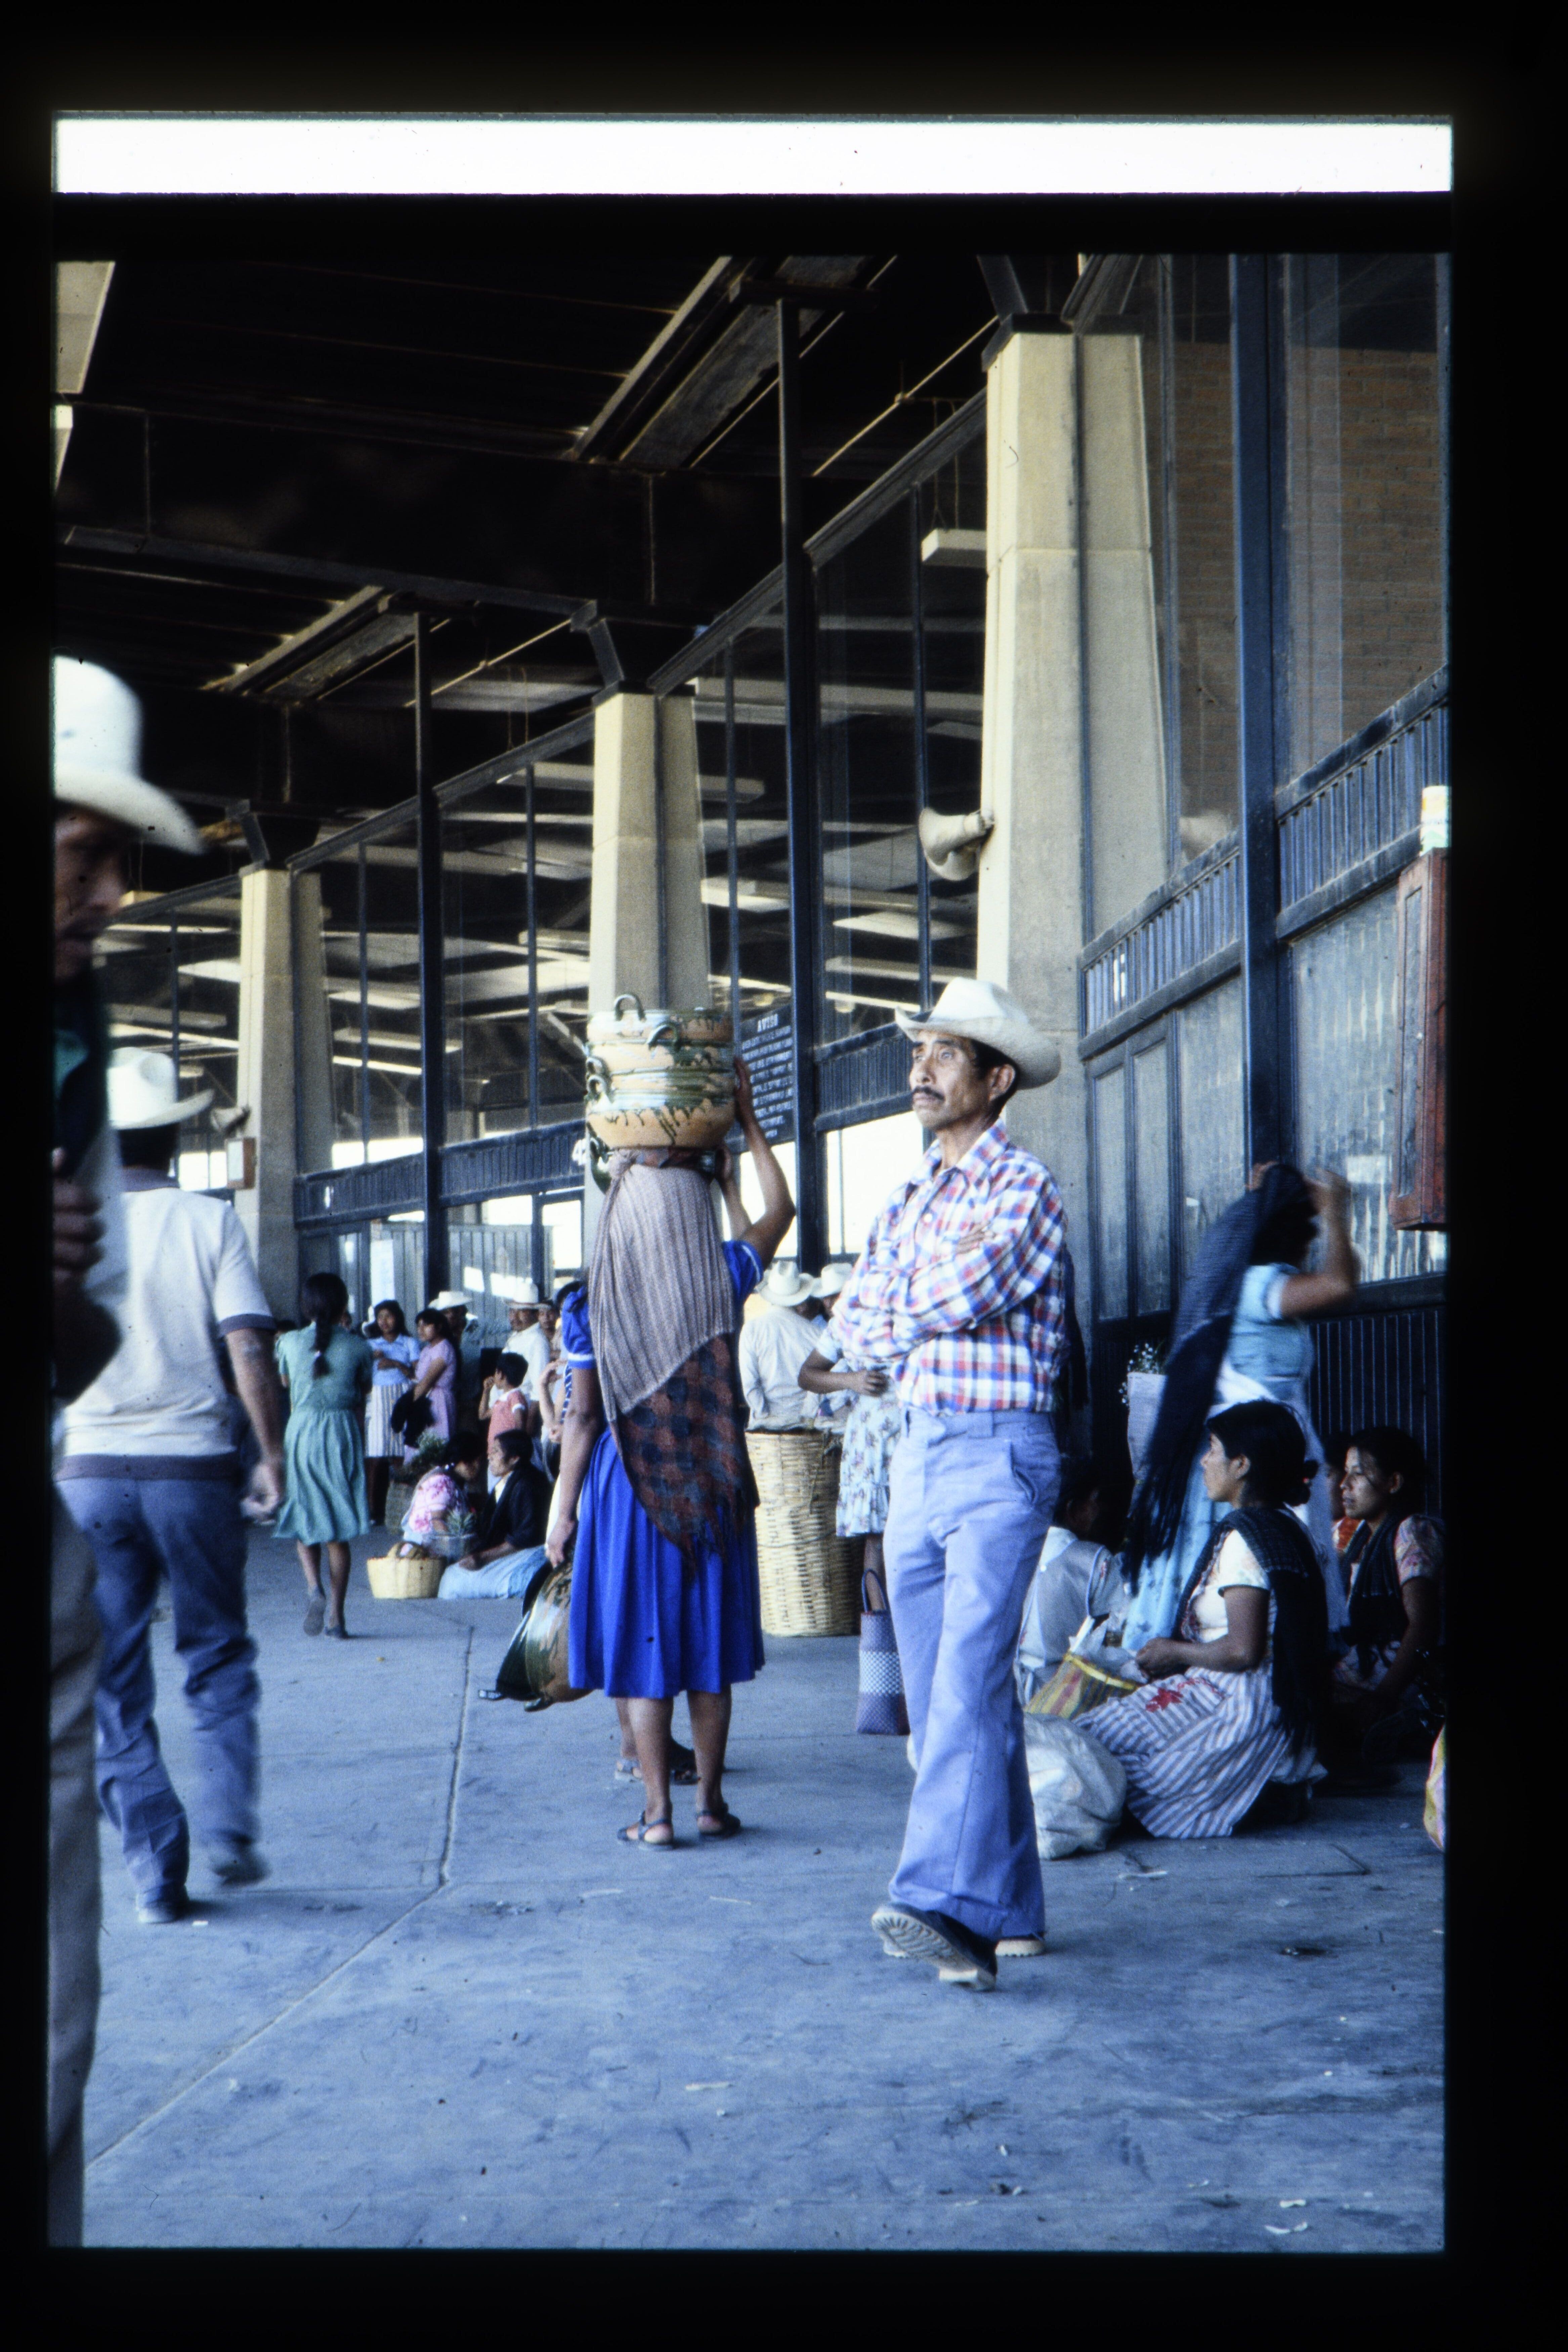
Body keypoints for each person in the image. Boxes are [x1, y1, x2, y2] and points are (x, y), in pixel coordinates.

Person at [825, 977, 1068, 1991]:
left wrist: (902, 1297)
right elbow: (852, 1327)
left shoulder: (1025, 1187)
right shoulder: (908, 1196)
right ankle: (1010, 1906)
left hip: (999, 1456)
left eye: (945, 1052)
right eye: (918, 1050)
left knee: (967, 1681)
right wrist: (905, 1301)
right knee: (943, 1701)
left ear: (996, 1078)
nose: (920, 1068)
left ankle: (940, 1903)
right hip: (919, 1454)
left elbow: (959, 1290)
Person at [49, 655, 200, 2240]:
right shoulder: (212, 1226)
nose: (106, 895)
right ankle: (185, 1844)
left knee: (53, 2036)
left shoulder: (73, 1033)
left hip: (71, 1489)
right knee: (204, 1670)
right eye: (81, 853)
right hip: (186, 1470)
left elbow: (82, 1320)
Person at [59, 1045, 286, 1931]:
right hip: (193, 1470)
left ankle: (156, 1870)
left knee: (108, 1677)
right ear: (175, 1137)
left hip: (87, 1477)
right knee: (216, 1650)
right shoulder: (208, 1219)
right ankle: (229, 1826)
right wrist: (271, 1453)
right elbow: (249, 1347)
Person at [547, 1053, 794, 1846]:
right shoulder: (722, 1272)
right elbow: (782, 1209)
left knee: (643, 1644)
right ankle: (710, 1804)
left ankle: (656, 1814)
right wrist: (743, 1128)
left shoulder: (591, 1303)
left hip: (627, 1485)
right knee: (707, 1645)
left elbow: (581, 1420)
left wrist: (561, 1511)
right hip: (711, 1476)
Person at [1117, 1162, 1358, 1657]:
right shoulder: (1258, 1286)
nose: (1311, 1247)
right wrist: (1337, 1213)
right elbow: (1339, 1284)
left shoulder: (1238, 1288)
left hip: (1260, 1454)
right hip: (1251, 1460)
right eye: (1308, 1236)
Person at [1087, 1401, 1330, 1838]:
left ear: (1241, 1464)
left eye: (1213, 1448)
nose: (1203, 1460)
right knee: (1100, 1741)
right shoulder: (1286, 1525)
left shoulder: (1245, 1539)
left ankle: (1256, 1791)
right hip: (1274, 1701)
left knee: (1100, 1752)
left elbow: (1242, 1651)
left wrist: (1172, 1651)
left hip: (1242, 1702)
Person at [1330, 1426, 1444, 1762]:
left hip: (1402, 1677)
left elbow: (1423, 1625)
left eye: (1358, 1474)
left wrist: (1383, 1696)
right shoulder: (1362, 1540)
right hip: (1370, 1664)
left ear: (1393, 1483)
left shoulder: (1412, 1531)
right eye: (1345, 1473)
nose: (1344, 1484)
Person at [275, 1272, 375, 1637]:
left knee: (305, 1516)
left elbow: (286, 1382)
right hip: (340, 1432)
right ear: (343, 1305)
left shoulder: (288, 1342)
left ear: (306, 1306)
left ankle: (313, 1587)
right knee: (337, 1527)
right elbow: (364, 1389)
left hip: (302, 1431)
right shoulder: (359, 1347)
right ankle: (336, 1616)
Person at [1013, 1465, 1121, 1706]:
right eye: (1095, 1500)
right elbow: (1115, 1638)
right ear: (1072, 1508)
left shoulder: (1015, 1551)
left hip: (1010, 1692)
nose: (1100, 1509)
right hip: (1067, 1698)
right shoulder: (1096, 1561)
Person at [438, 1429, 552, 1598]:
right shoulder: (506, 1482)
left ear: (514, 1458)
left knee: (453, 1580)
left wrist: (482, 1558)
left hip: (526, 1554)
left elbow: (525, 1538)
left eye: (496, 1451)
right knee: (452, 1574)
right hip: (508, 1554)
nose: (489, 1456)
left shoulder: (528, 1485)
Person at [739, 1260, 839, 1429]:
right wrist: (805, 1418)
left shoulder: (752, 1330)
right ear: (798, 1297)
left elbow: (751, 1386)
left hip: (764, 1429)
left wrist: (764, 1419)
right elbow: (817, 1386)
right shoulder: (816, 1333)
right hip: (805, 1426)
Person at [364, 1300, 419, 1526]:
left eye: (389, 1316)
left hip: (402, 1396)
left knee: (400, 1454)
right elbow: (361, 1374)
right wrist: (372, 1358)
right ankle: (372, 1510)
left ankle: (401, 1510)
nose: (384, 1322)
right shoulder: (370, 1344)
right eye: (380, 1317)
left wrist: (395, 1363)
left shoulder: (409, 1342)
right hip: (378, 1398)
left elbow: (417, 1375)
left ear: (398, 1318)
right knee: (376, 1455)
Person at [396, 1429, 486, 1557]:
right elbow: (438, 1521)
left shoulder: (451, 1480)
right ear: (466, 1462)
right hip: (425, 1554)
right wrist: (457, 1554)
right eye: (479, 1461)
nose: (480, 1467)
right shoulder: (443, 1482)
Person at [405, 1307, 457, 1454]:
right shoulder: (427, 1349)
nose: (421, 1330)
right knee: (419, 1448)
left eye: (426, 1325)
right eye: (419, 1326)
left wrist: (407, 1405)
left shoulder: (444, 1348)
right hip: (424, 1399)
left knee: (436, 1447)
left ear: (439, 1327)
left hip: (438, 1401)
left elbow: (427, 1382)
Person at [432, 1289, 486, 1426]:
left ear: (461, 1311)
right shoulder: (437, 1336)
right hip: (445, 1397)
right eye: (445, 1313)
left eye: (452, 1312)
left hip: (471, 1396)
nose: (449, 1316)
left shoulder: (476, 1327)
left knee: (468, 1432)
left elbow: (504, 1325)